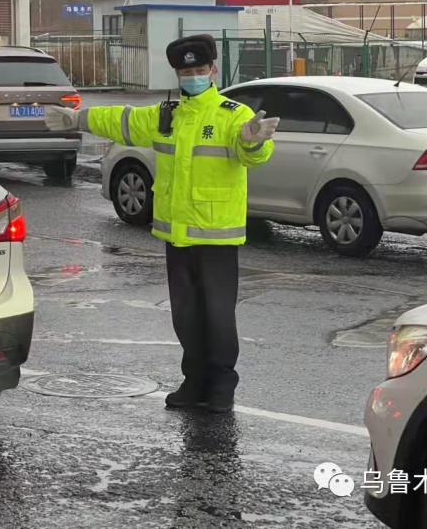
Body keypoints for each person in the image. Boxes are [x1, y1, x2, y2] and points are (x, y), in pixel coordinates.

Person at [44, 34, 278, 413]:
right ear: (177, 74)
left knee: (217, 314)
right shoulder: (166, 115)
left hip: (216, 235)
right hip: (175, 233)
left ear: (213, 70)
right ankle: (194, 381)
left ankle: (221, 387)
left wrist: (253, 141)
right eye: (186, 71)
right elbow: (120, 119)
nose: (194, 76)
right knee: (185, 314)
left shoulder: (232, 115)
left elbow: (252, 154)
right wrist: (77, 117)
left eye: (200, 70)